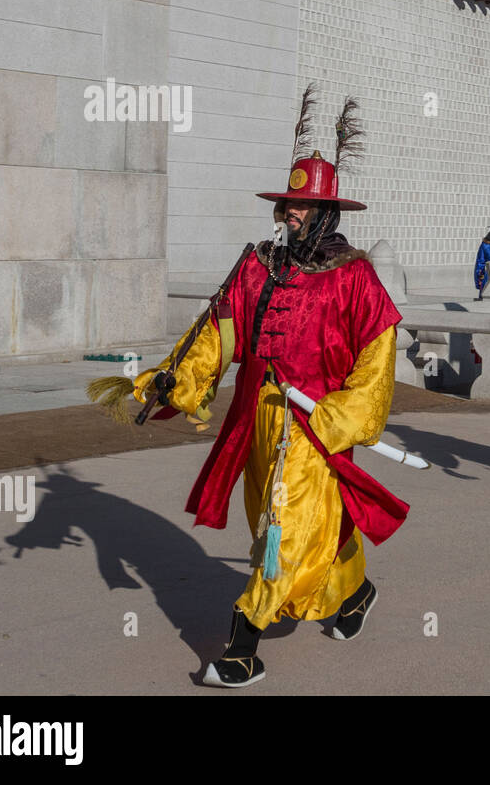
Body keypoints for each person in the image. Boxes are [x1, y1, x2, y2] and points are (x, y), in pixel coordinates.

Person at [111, 92, 406, 688]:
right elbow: (217, 335)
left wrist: (339, 419)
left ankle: (241, 647)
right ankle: (355, 591)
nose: (289, 214)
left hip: (314, 424)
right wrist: (177, 380)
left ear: (326, 212)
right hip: (257, 419)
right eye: (287, 204)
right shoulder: (259, 267)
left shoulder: (354, 276)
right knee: (283, 527)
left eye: (301, 206)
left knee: (286, 526)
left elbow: (376, 365)